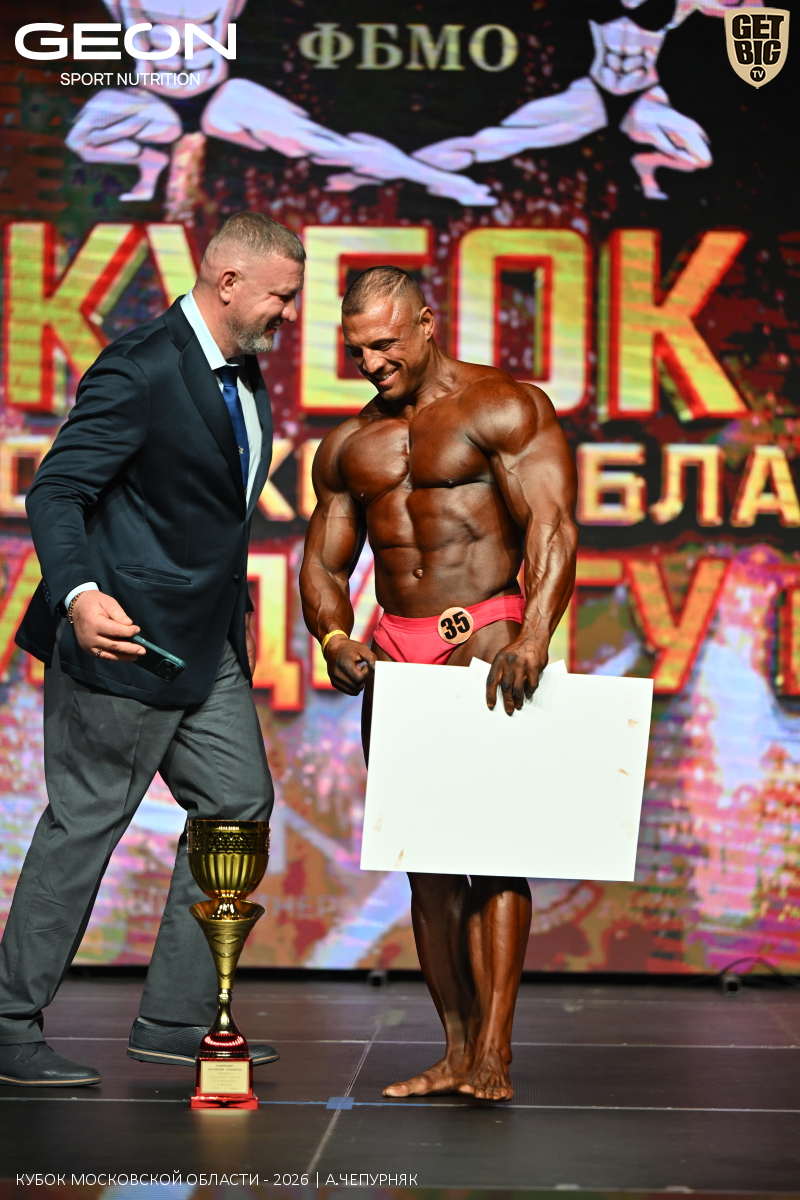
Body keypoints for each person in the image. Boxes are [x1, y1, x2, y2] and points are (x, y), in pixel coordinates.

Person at [0, 211, 304, 1087]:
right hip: (122, 642)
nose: (288, 314)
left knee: (237, 803)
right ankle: (8, 1022)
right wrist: (80, 595)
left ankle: (176, 1018)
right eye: (281, 296)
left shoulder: (240, 370)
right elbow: (57, 491)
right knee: (87, 822)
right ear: (228, 282)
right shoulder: (140, 366)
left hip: (203, 644)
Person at [299, 266, 577, 1101]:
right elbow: (323, 563)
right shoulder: (348, 446)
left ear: (427, 322)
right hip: (397, 650)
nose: (371, 362)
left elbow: (551, 525)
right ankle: (454, 1050)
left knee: (494, 854)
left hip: (484, 635)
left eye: (385, 343)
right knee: (424, 863)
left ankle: (495, 1053)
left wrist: (535, 634)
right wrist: (334, 634)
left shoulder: (503, 407)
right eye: (357, 349)